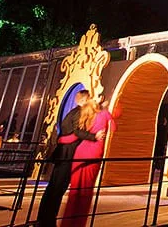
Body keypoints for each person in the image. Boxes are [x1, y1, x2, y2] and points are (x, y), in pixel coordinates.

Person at [36, 90, 105, 227]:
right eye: (89, 98)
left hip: (63, 153)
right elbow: (77, 132)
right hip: (68, 154)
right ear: (84, 100)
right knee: (58, 188)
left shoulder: (73, 112)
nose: (91, 101)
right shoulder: (79, 113)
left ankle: (43, 218)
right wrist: (94, 136)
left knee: (53, 187)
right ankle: (47, 221)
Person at [60, 98, 119, 227]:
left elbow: (74, 135)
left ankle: (67, 222)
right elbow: (114, 128)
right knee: (86, 192)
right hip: (94, 152)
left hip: (80, 153)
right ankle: (78, 223)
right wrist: (113, 115)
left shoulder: (86, 116)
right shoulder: (104, 113)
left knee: (75, 191)